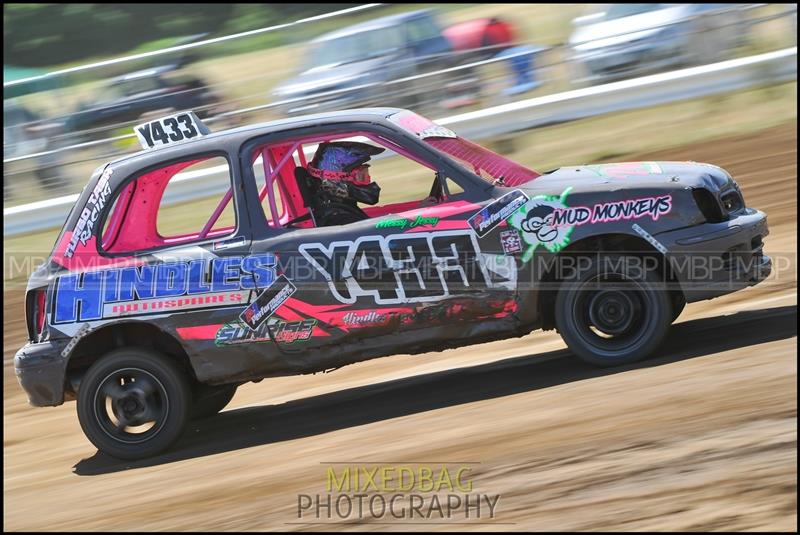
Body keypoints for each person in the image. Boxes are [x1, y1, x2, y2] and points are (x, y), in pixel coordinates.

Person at [303, 141, 385, 226]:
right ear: (335, 180)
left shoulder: (343, 209)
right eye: (361, 177)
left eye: (366, 175)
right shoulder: (342, 221)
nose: (368, 179)